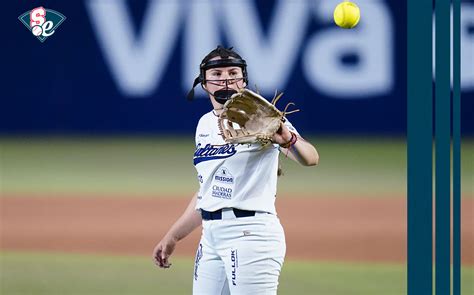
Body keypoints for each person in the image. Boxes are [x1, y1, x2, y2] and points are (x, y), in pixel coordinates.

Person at [152, 46, 319, 295]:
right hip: (210, 238)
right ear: (204, 83)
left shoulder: (261, 118)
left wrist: (288, 140)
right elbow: (206, 193)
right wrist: (173, 236)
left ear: (244, 79)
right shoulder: (204, 124)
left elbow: (311, 158)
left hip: (251, 235)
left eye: (233, 72)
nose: (226, 79)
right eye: (217, 74)